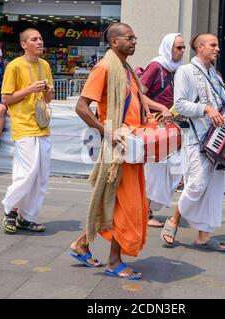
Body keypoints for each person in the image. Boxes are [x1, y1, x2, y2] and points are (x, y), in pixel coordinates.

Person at [160, 33, 225, 251]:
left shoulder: (215, 75)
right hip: (197, 139)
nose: (218, 49)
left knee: (215, 189)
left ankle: (203, 236)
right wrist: (205, 109)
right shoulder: (185, 71)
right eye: (213, 45)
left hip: (221, 139)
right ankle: (173, 220)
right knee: (196, 185)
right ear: (199, 47)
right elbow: (179, 105)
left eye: (217, 45)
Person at [69, 23, 152, 280]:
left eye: (135, 37)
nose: (134, 41)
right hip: (117, 148)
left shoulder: (126, 69)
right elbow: (81, 107)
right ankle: (114, 262)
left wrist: (152, 106)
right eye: (130, 38)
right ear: (114, 42)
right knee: (125, 205)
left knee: (115, 202)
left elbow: (135, 99)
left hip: (131, 147)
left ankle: (82, 244)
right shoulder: (105, 67)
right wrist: (106, 131)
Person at [0, 28, 54, 234]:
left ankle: (28, 217)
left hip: (42, 125)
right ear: (24, 44)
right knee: (27, 173)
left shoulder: (45, 65)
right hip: (23, 125)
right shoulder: (14, 66)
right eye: (34, 39)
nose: (39, 42)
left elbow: (48, 99)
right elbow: (6, 99)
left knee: (41, 176)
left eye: (40, 38)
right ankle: (10, 210)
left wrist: (47, 92)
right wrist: (30, 89)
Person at [140, 33, 185, 228]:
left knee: (177, 169)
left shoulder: (177, 70)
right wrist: (161, 108)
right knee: (154, 171)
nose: (182, 51)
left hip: (170, 127)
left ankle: (148, 207)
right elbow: (139, 94)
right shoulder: (155, 67)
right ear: (168, 48)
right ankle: (145, 211)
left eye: (183, 47)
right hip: (155, 127)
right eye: (179, 48)